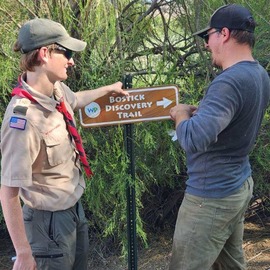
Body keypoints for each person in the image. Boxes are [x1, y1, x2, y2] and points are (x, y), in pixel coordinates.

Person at [0, 18, 128, 270]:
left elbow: (77, 99)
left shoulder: (56, 90)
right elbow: (8, 193)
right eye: (66, 52)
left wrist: (108, 90)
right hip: (47, 225)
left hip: (73, 211)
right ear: (45, 53)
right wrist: (24, 253)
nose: (72, 60)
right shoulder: (22, 121)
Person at [169, 4, 270, 270]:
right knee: (230, 264)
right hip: (237, 185)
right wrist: (203, 114)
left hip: (210, 197)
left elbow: (192, 139)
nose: (206, 45)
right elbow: (234, 122)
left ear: (224, 34)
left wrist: (180, 114)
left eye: (208, 36)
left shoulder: (228, 82)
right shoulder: (259, 74)